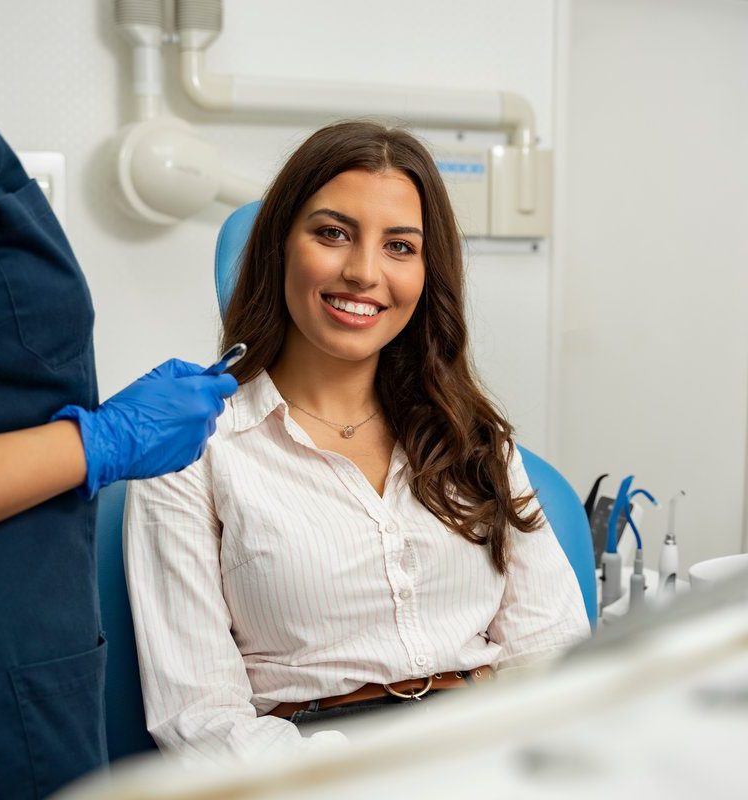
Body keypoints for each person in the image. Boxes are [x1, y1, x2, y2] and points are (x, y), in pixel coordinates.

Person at [124, 120, 591, 764]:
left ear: (428, 273)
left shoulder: (474, 435)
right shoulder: (188, 450)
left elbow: (551, 652)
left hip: (493, 757)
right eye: (333, 233)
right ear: (279, 247)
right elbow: (200, 718)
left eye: (400, 246)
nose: (364, 272)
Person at [0, 3, 237, 797]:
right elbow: (206, 717)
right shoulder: (210, 472)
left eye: (402, 245)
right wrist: (100, 443)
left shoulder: (477, 451)